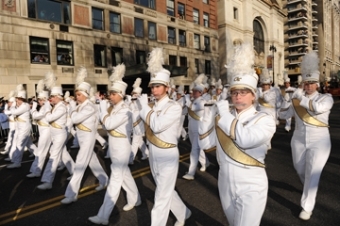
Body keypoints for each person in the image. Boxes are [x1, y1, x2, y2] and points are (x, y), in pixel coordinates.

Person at [216, 43, 276, 226]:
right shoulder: (222, 116)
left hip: (251, 186)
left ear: (253, 96)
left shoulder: (264, 120)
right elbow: (207, 145)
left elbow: (245, 139)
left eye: (243, 92)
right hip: (224, 182)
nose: (238, 96)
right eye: (234, 92)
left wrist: (224, 116)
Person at [137, 47, 191, 226]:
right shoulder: (152, 106)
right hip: (153, 153)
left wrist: (144, 108)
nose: (153, 89)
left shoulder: (173, 107)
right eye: (152, 86)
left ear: (167, 87)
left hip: (168, 155)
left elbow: (157, 125)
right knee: (164, 190)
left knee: (160, 198)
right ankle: (184, 212)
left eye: (157, 86)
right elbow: (143, 127)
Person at [279, 51, 333, 220]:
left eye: (312, 83)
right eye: (306, 83)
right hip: (299, 139)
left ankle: (306, 207)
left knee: (312, 172)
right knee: (299, 168)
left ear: (317, 84)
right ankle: (308, 185)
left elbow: (316, 108)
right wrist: (288, 100)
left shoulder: (326, 98)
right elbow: (283, 116)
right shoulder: (297, 98)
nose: (308, 86)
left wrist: (298, 99)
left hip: (320, 141)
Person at [89, 63, 141, 225]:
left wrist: (103, 110)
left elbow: (108, 125)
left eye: (112, 94)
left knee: (115, 181)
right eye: (109, 94)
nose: (109, 96)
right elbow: (106, 124)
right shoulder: (115, 109)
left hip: (122, 149)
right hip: (116, 148)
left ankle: (103, 215)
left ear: (120, 94)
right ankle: (136, 198)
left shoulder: (125, 110)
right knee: (125, 175)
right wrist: (105, 113)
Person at [61, 71, 108, 204]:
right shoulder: (79, 106)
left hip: (88, 138)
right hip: (82, 138)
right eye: (76, 94)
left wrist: (73, 112)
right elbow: (73, 117)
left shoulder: (90, 107)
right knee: (92, 161)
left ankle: (71, 194)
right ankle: (104, 180)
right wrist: (74, 111)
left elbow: (75, 118)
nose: (76, 97)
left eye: (79, 94)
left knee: (80, 164)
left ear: (85, 95)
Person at [37, 83, 74, 190]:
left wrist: (47, 109)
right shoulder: (56, 106)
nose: (50, 99)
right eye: (50, 97)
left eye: (52, 97)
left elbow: (49, 118)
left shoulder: (61, 107)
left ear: (58, 97)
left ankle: (47, 181)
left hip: (59, 135)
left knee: (53, 157)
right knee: (64, 155)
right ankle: (75, 171)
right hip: (54, 134)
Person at [183, 74, 210, 180]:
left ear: (200, 92)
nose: (192, 93)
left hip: (198, 128)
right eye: (192, 91)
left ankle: (191, 172)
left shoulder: (201, 102)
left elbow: (193, 109)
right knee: (198, 148)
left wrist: (187, 100)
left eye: (195, 91)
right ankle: (205, 162)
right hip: (191, 128)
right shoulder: (193, 101)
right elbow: (185, 111)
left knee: (194, 150)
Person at [7, 85, 37, 169]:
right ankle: (38, 155)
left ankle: (17, 162)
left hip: (24, 127)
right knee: (29, 144)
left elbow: (15, 112)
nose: (16, 100)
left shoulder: (25, 105)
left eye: (18, 98)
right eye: (16, 98)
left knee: (19, 144)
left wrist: (12, 106)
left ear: (22, 99)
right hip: (20, 127)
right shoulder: (20, 105)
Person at [27, 80, 52, 178]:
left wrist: (33, 107)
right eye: (38, 100)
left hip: (46, 131)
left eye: (40, 100)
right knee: (61, 153)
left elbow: (36, 116)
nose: (39, 101)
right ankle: (71, 169)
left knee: (40, 152)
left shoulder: (47, 107)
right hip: (44, 131)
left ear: (45, 99)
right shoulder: (43, 107)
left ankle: (36, 171)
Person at [128, 78, 149, 164]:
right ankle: (147, 154)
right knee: (139, 141)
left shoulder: (142, 99)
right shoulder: (133, 101)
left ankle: (131, 159)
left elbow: (143, 107)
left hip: (139, 123)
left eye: (135, 94)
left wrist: (138, 97)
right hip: (134, 123)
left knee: (135, 142)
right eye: (133, 93)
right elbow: (130, 109)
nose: (133, 95)